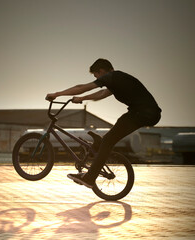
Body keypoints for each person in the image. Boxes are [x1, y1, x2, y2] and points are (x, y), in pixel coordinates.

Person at [46, 58, 161, 188]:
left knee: (109, 141)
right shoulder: (117, 79)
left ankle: (90, 177)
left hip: (145, 113)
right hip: (143, 113)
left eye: (96, 76)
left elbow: (83, 87)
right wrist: (82, 99)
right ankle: (98, 145)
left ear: (101, 71)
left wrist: (57, 94)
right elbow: (101, 94)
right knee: (116, 129)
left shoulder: (112, 76)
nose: (97, 79)